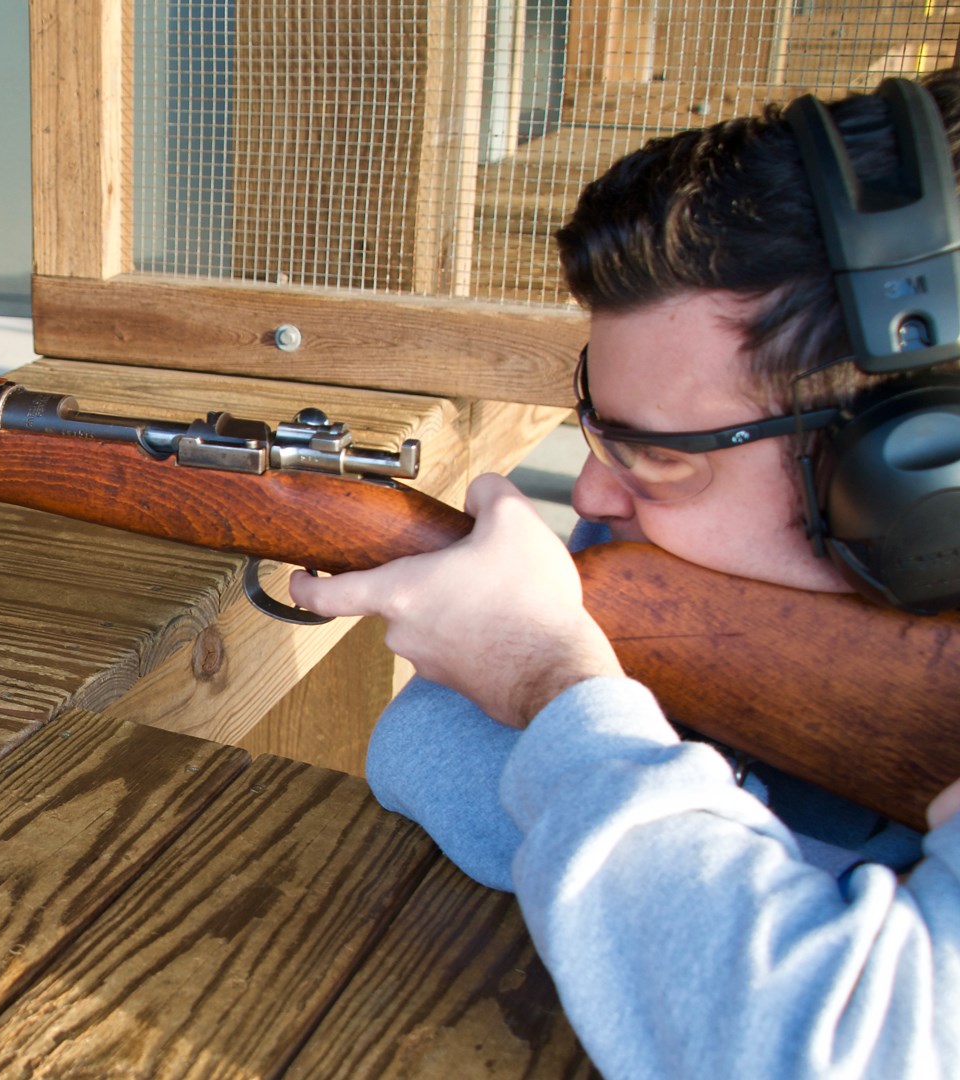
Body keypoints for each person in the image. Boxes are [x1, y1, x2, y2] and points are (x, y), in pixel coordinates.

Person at [288, 73, 960, 1077]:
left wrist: (552, 687)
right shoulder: (694, 582)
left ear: (917, 468)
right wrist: (706, 894)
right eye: (598, 431)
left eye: (661, 456)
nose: (594, 494)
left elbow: (822, 1051)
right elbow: (425, 750)